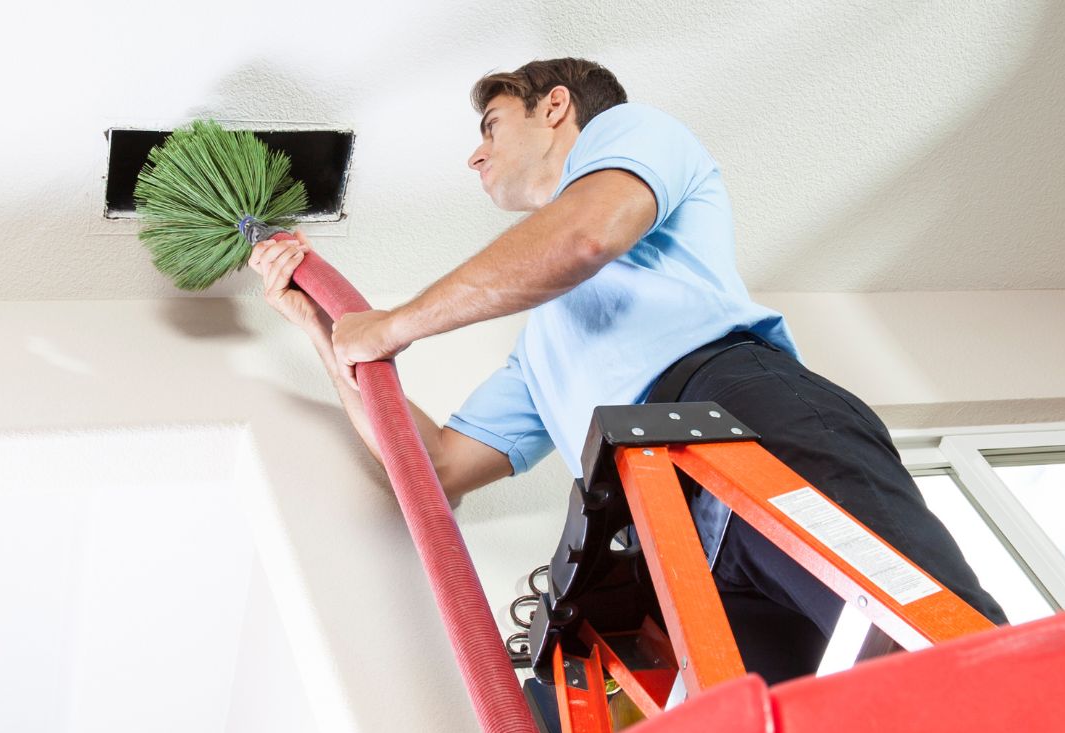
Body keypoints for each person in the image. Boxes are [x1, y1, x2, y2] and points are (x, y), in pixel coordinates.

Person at [250, 57, 1006, 685]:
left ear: (555, 106)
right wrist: (324, 332)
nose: (475, 156)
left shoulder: (633, 132)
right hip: (678, 533)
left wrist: (395, 322)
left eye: (490, 127)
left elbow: (585, 235)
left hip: (742, 417)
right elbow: (434, 467)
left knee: (937, 646)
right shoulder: (546, 342)